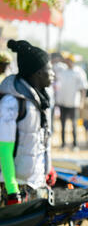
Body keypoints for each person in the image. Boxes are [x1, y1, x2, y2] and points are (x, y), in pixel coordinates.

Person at [0, 40, 56, 206]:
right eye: (49, 69)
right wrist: (12, 190)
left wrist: (48, 168)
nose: (53, 74)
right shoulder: (12, 102)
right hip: (15, 188)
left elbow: (40, 141)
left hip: (35, 183)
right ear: (38, 73)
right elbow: (4, 149)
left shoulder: (41, 100)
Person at [55, 52, 88, 150]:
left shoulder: (79, 72)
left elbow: (83, 88)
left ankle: (75, 145)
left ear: (72, 61)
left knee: (74, 124)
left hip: (74, 102)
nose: (67, 62)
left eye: (69, 61)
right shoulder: (63, 71)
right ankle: (63, 144)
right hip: (63, 102)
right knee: (62, 124)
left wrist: (82, 101)